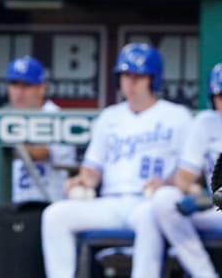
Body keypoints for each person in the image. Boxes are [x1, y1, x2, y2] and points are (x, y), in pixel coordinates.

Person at [41, 43, 193, 278]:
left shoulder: (177, 116)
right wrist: (83, 180)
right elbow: (92, 168)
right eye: (125, 75)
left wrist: (168, 184)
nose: (130, 82)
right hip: (111, 202)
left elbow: (191, 170)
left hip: (149, 202)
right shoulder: (109, 117)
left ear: (153, 79)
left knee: (149, 216)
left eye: (137, 76)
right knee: (55, 215)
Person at [131, 63, 222, 278]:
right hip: (214, 210)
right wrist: (187, 191)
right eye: (220, 95)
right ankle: (205, 274)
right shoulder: (205, 123)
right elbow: (184, 178)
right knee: (163, 201)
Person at [0, 56, 75, 203]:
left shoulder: (56, 116)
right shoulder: (5, 116)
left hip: (49, 205)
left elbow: (40, 152)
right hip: (14, 209)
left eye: (26, 85)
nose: (19, 92)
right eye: (14, 85)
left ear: (42, 89)